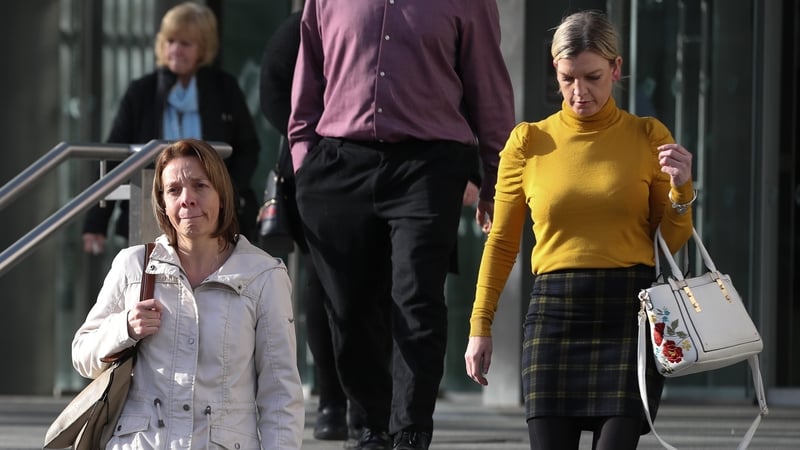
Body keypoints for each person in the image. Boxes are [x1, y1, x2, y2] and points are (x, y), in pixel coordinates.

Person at [287, 1, 516, 449]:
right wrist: (304, 163)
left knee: (416, 298)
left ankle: (410, 429)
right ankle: (372, 424)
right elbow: (307, 77)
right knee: (347, 308)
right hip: (339, 163)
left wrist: (496, 182)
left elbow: (488, 89)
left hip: (427, 165)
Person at [464, 10, 695, 450]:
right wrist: (480, 325)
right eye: (568, 78)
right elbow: (502, 243)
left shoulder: (647, 136)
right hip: (553, 316)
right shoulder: (528, 142)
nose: (579, 91)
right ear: (556, 70)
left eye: (592, 77)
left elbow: (668, 242)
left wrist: (682, 191)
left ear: (616, 69)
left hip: (629, 313)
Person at [72, 139, 305, 449]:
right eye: (174, 191)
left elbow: (280, 395)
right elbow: (82, 355)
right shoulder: (133, 265)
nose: (187, 199)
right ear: (163, 204)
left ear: (222, 195)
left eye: (200, 186)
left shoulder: (263, 275)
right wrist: (125, 327)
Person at [82, 1, 260, 255]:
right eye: (170, 41)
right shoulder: (142, 92)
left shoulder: (224, 89)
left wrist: (225, 192)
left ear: (203, 48)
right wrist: (95, 222)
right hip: (148, 214)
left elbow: (247, 148)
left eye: (185, 43)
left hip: (211, 219)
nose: (176, 50)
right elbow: (115, 159)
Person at [259, 10, 362, 443]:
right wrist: (311, 145)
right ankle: (333, 401)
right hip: (320, 170)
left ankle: (370, 401)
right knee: (323, 288)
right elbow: (272, 88)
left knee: (387, 290)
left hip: (386, 169)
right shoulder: (315, 15)